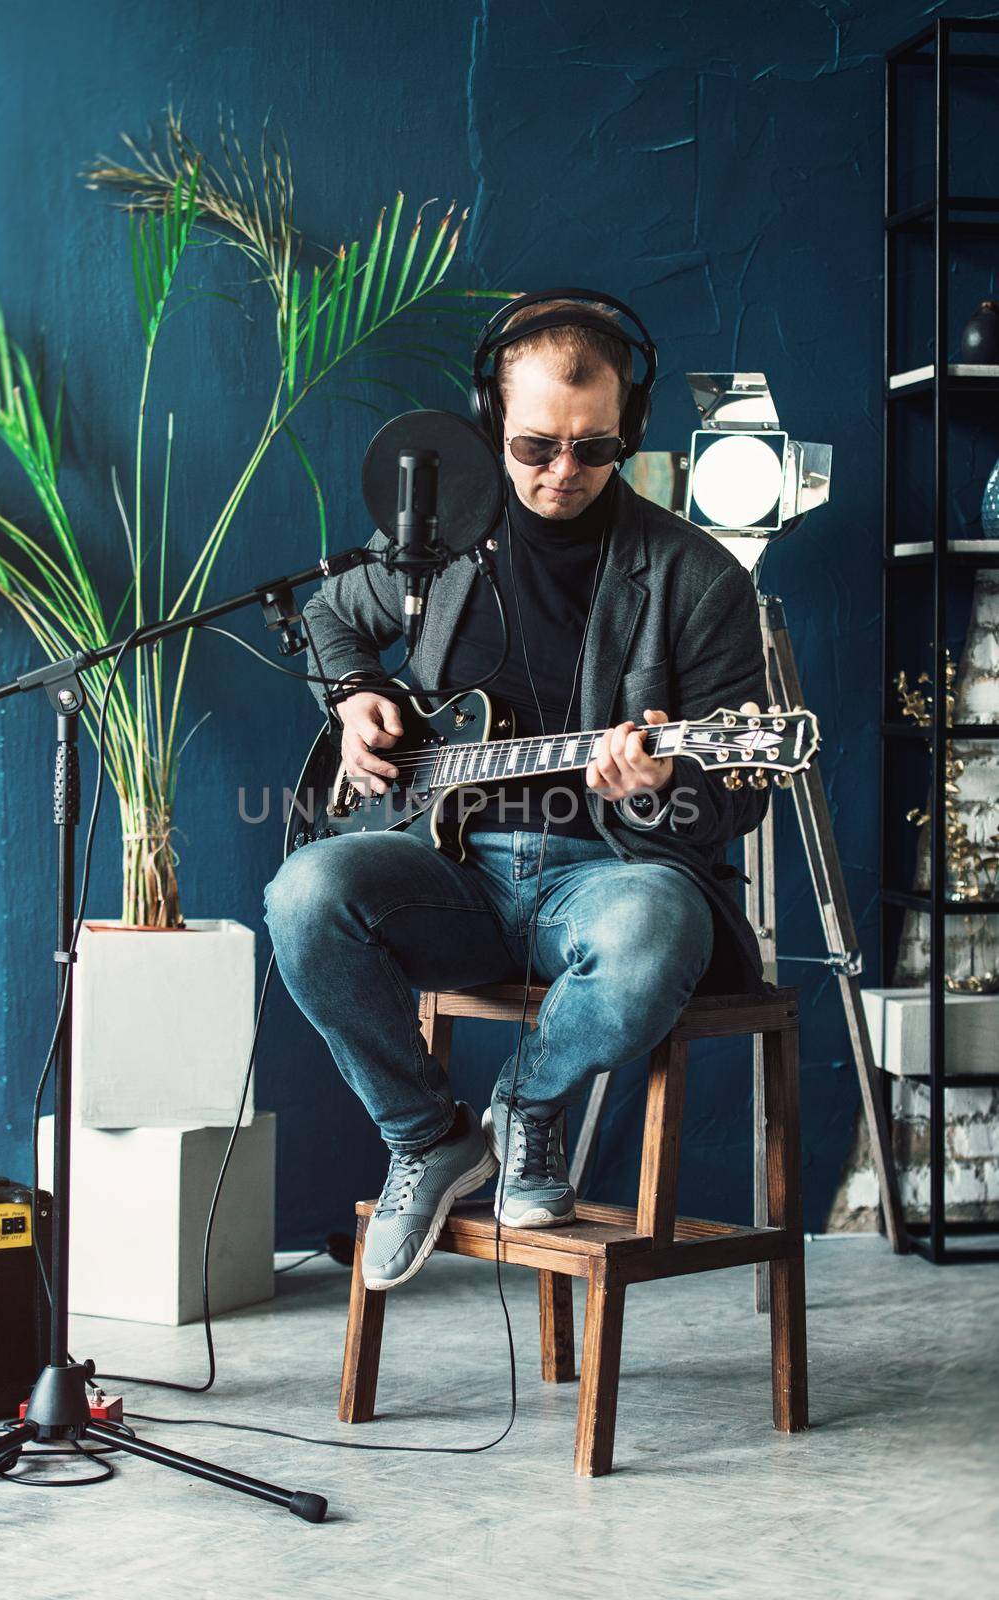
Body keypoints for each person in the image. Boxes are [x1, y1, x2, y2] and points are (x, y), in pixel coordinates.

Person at [263, 296, 771, 1291]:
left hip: (607, 877)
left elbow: (734, 798)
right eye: (536, 445)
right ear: (490, 418)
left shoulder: (698, 579)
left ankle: (528, 1106)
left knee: (660, 928)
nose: (563, 474)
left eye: (595, 449)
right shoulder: (445, 542)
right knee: (302, 895)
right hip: (449, 872)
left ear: (632, 429)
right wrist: (360, 692)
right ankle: (430, 1136)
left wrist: (661, 779)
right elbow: (332, 615)